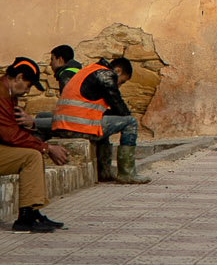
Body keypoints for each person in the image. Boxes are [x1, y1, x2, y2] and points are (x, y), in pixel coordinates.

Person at [52, 53, 147, 182]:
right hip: (78, 126)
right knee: (130, 122)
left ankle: (104, 173)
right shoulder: (106, 75)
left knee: (103, 124)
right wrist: (124, 114)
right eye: (121, 82)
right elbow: (119, 106)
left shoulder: (91, 70)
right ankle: (127, 173)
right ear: (117, 71)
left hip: (65, 124)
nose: (119, 85)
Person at [2, 59, 70, 234]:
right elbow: (10, 136)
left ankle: (32, 212)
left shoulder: (9, 95)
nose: (27, 91)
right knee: (31, 156)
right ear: (18, 77)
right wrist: (47, 148)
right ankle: (25, 218)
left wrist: (30, 123)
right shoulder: (1, 95)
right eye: (28, 85)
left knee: (33, 153)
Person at [31, 46, 78, 137]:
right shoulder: (75, 71)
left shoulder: (66, 76)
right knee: (41, 116)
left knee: (34, 124)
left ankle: (39, 149)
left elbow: (68, 107)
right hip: (75, 118)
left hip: (73, 122)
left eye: (52, 59)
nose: (50, 64)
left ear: (60, 60)